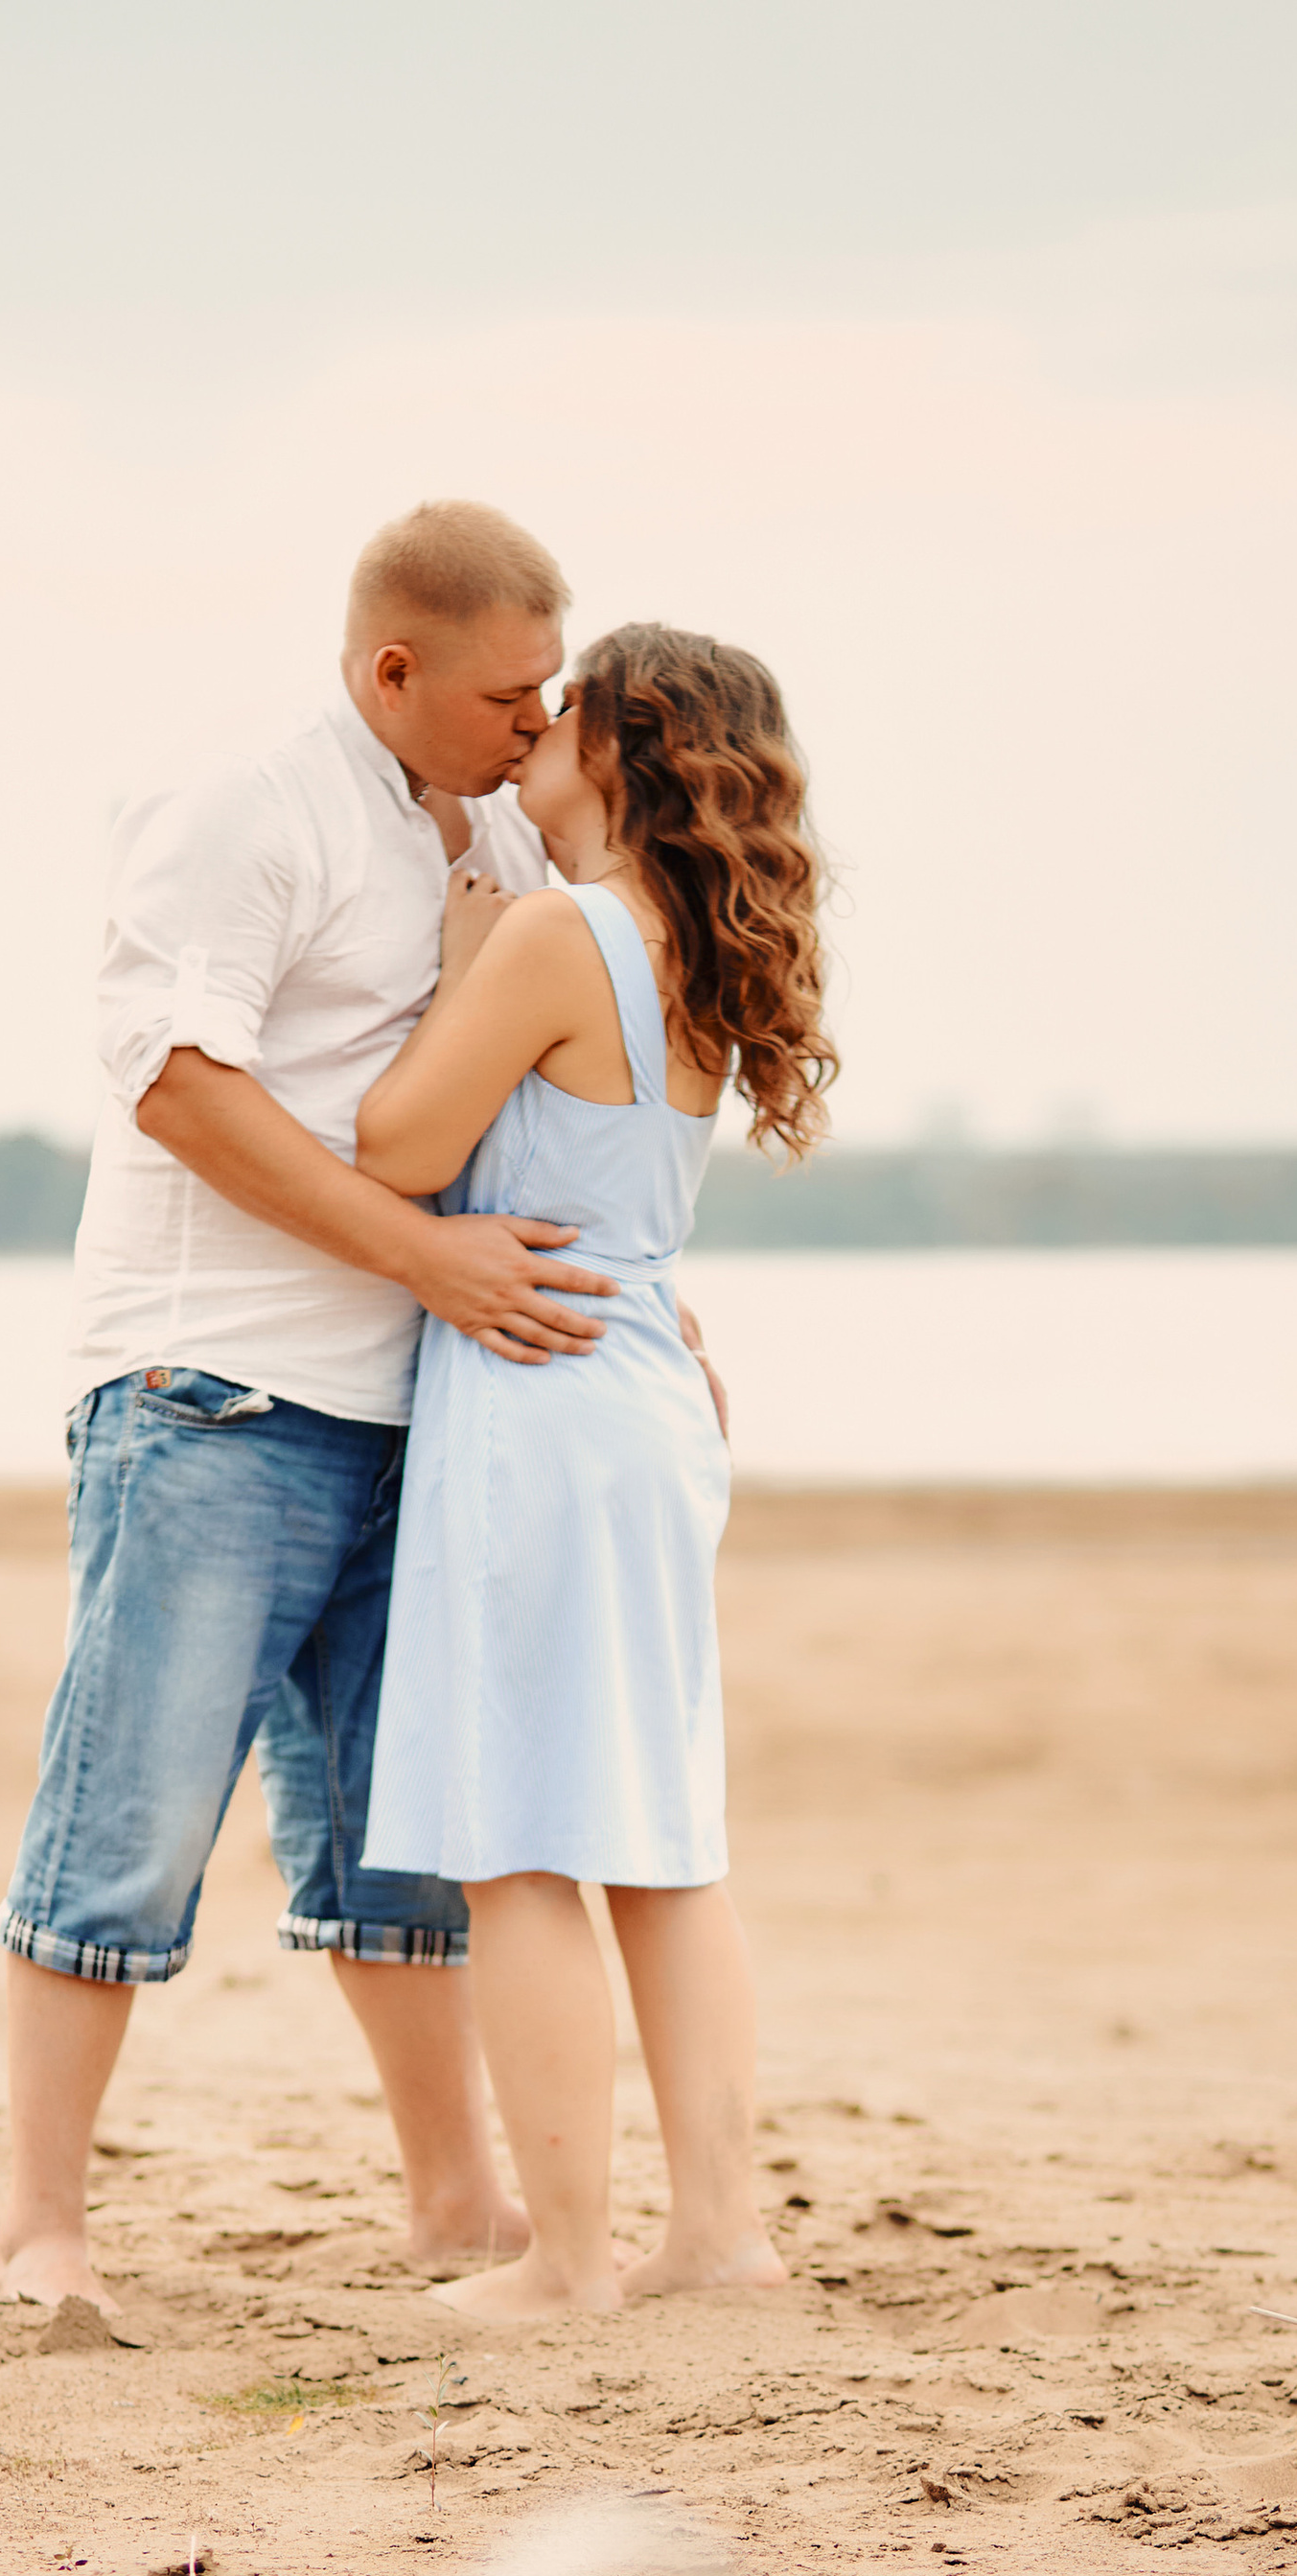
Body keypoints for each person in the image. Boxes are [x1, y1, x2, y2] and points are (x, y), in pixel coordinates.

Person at [0, 502, 624, 2314]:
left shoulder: (497, 822)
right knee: (132, 1817)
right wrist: (428, 1262)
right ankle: (43, 2228)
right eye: (511, 691)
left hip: (421, 1404)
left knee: (393, 1831)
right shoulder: (241, 810)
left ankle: (456, 2204)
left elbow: (528, 1090)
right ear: (390, 670)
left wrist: (649, 1316)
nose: (539, 718)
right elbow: (179, 1088)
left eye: (553, 687)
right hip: (209, 1390)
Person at [356, 623, 836, 2322]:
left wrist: (462, 954)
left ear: (617, 757)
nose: (531, 737)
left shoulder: (557, 933)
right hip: (643, 1395)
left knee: (519, 1845)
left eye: (560, 716)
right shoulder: (694, 950)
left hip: (536, 1398)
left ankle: (562, 2262)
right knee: (661, 1839)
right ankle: (717, 2235)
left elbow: (400, 1149)